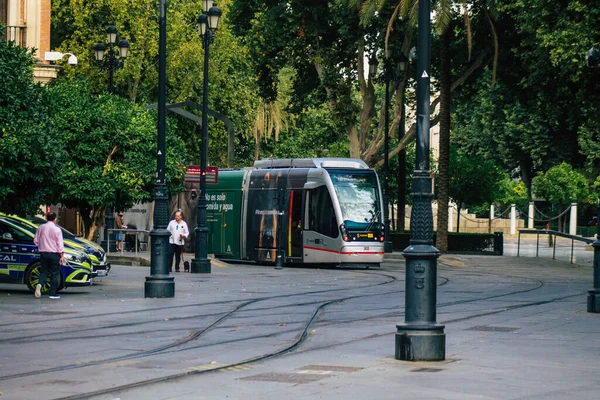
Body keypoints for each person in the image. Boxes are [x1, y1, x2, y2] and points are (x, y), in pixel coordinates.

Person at [33, 212, 64, 299]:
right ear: (55, 219)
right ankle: (52, 293)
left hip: (43, 253)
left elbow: (35, 241)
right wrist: (61, 256)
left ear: (47, 218)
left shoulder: (41, 228)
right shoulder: (57, 229)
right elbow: (60, 244)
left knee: (44, 271)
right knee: (54, 273)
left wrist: (42, 244)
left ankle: (39, 284)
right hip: (54, 254)